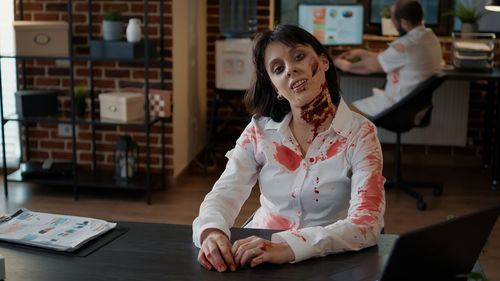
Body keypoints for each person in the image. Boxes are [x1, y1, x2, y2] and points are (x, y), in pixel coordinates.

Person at [192, 24, 385, 272]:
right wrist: (212, 232)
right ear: (275, 87)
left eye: (299, 56)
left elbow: (367, 224)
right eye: (278, 69)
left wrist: (289, 246)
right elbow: (225, 192)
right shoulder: (260, 131)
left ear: (324, 62)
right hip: (258, 253)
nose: (290, 69)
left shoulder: (360, 134)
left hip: (329, 259)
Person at [334, 0, 443, 118]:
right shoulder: (430, 37)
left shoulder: (405, 45)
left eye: (393, 21)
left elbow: (369, 67)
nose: (394, 25)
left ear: (404, 22)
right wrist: (361, 53)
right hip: (415, 106)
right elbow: (385, 59)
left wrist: (341, 64)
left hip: (397, 107)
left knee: (342, 115)